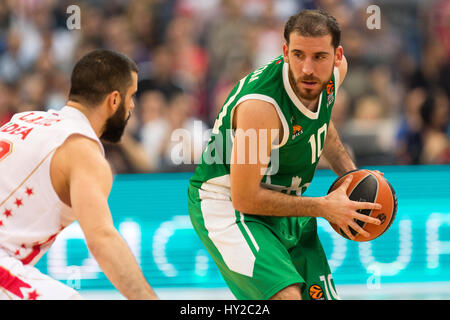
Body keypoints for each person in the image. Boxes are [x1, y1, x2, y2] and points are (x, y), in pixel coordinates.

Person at [187, 9, 382, 300]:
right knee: (287, 296)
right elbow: (245, 197)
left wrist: (353, 178)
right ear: (285, 52)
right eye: (298, 55)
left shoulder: (332, 77)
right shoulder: (260, 108)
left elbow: (322, 126)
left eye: (319, 57)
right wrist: (325, 207)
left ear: (337, 56)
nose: (307, 68)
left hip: (283, 202)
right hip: (228, 204)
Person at [0, 49, 158, 300]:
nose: (132, 106)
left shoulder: (26, 119)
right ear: (114, 100)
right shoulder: (84, 152)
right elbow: (102, 240)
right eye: (132, 96)